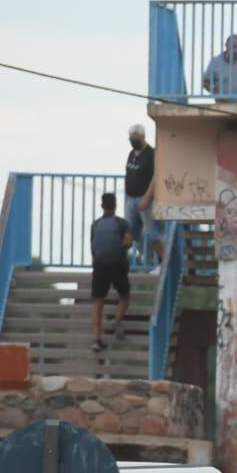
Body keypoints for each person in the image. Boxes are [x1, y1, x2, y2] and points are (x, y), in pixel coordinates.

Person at [89, 192, 133, 352]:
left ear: (102, 206)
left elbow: (92, 247)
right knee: (125, 297)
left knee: (97, 302)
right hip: (118, 265)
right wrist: (124, 248)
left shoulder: (95, 225)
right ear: (115, 205)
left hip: (100, 266)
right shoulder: (122, 223)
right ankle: (117, 319)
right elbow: (128, 242)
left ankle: (97, 339)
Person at [123, 124, 163, 266]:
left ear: (142, 137)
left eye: (135, 138)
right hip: (130, 199)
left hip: (146, 200)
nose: (133, 141)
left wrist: (147, 197)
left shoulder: (151, 154)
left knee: (152, 233)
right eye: (131, 138)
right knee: (129, 234)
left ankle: (162, 261)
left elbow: (156, 177)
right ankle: (149, 259)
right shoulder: (131, 154)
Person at [202, 34, 237, 102]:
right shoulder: (215, 61)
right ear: (226, 46)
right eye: (233, 47)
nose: (236, 50)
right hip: (223, 106)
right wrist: (216, 93)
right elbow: (205, 82)